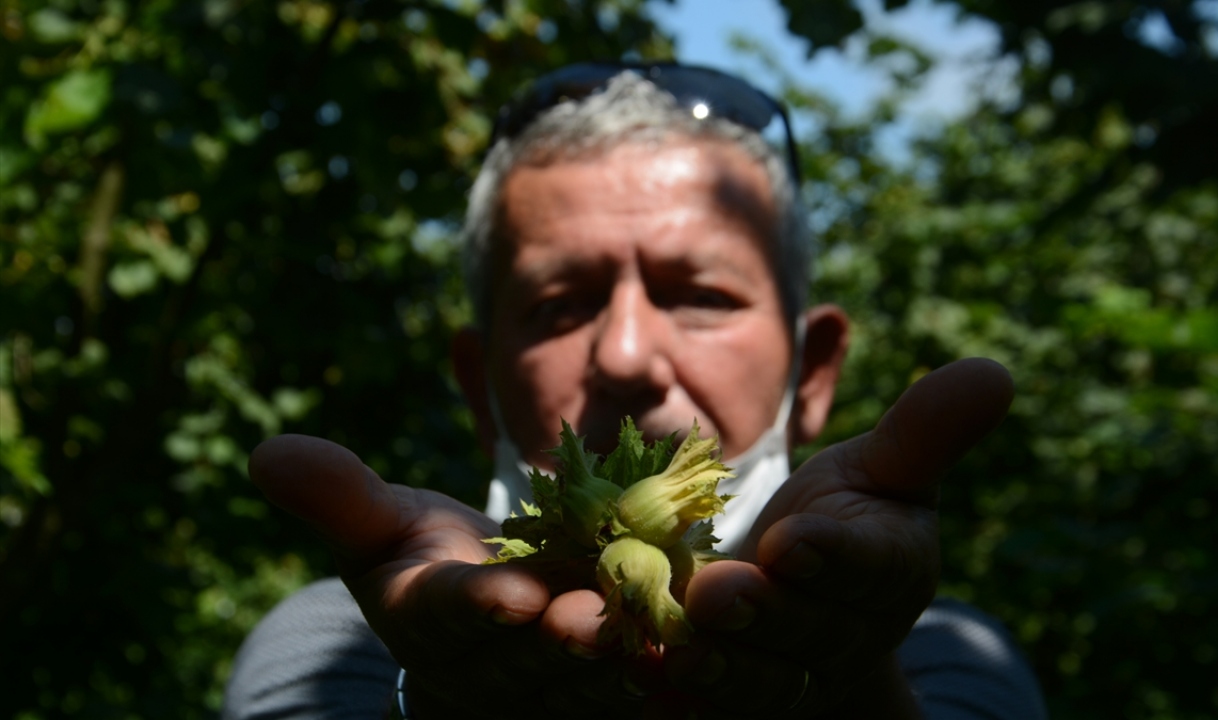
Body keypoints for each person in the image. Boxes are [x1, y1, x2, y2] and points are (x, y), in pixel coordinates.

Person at [223, 63, 1046, 719]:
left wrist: (857, 697)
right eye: (560, 305)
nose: (625, 355)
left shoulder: (950, 650)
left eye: (701, 296)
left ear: (816, 372)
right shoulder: (334, 639)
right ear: (478, 389)